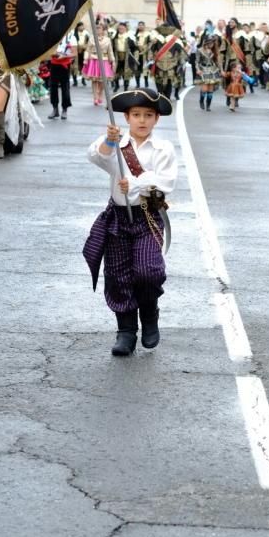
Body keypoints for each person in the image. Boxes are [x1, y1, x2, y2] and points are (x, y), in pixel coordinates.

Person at [82, 87, 177, 356]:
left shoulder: (163, 148)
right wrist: (109, 142)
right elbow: (96, 156)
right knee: (118, 275)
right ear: (126, 117)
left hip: (148, 215)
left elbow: (166, 182)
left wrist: (135, 184)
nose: (142, 120)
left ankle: (149, 316)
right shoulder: (117, 142)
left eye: (148, 115)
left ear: (156, 119)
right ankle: (125, 331)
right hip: (118, 217)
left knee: (148, 270)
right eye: (136, 114)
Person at [82, 22, 115, 107]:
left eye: (99, 28)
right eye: (96, 28)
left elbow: (110, 51)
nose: (97, 30)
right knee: (94, 80)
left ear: (103, 30)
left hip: (104, 60)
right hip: (93, 59)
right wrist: (85, 59)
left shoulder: (108, 39)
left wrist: (112, 60)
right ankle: (95, 97)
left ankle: (100, 94)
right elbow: (87, 49)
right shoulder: (92, 38)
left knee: (102, 81)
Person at [47, 30, 75, 120]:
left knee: (65, 87)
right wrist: (53, 54)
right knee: (53, 87)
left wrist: (64, 56)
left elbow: (75, 53)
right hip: (54, 64)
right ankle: (55, 109)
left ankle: (64, 109)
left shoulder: (71, 37)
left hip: (65, 65)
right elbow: (48, 50)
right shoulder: (53, 36)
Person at [195, 34, 221, 111]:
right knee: (204, 89)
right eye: (210, 43)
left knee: (210, 90)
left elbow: (218, 62)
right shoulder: (200, 50)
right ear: (205, 42)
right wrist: (198, 69)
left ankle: (208, 105)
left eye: (212, 43)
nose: (211, 44)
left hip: (213, 70)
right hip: (203, 70)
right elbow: (197, 61)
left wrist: (221, 70)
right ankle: (201, 101)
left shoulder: (215, 50)